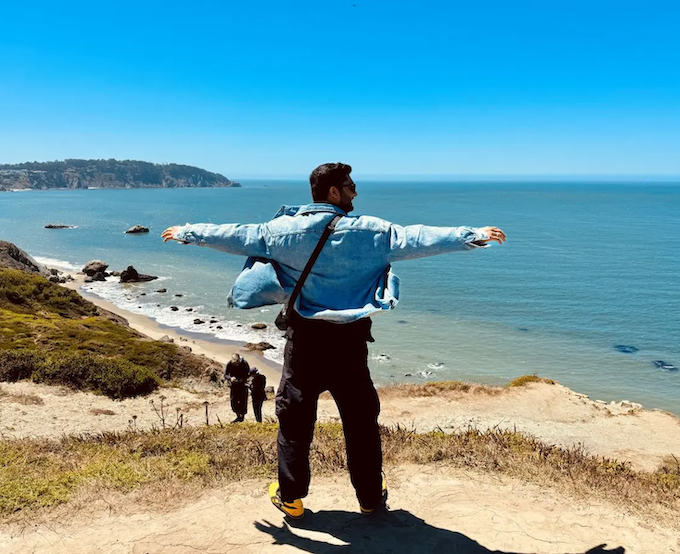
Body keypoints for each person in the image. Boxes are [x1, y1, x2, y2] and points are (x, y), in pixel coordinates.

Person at [162, 162, 506, 520]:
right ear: (333, 192)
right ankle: (370, 499)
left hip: (304, 344)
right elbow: (416, 238)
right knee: (360, 424)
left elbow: (234, 236)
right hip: (350, 345)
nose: (355, 191)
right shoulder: (371, 232)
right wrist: (472, 235)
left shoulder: (279, 231)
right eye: (350, 186)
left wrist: (188, 232)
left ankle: (291, 499)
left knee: (295, 423)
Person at [224, 353, 250, 422]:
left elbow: (248, 373)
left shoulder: (244, 363)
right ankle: (238, 415)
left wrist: (243, 378)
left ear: (239, 360)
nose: (235, 365)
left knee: (243, 402)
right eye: (234, 363)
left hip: (243, 385)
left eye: (237, 363)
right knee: (233, 402)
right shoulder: (229, 364)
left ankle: (242, 417)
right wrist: (230, 378)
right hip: (234, 385)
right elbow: (226, 375)